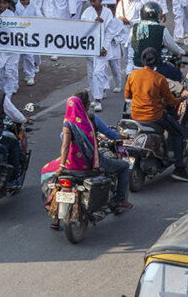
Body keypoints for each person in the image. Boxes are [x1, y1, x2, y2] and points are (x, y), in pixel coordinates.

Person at [48, 95, 132, 229]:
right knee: (124, 166)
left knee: (54, 180)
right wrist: (123, 136)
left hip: (69, 165)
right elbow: (108, 133)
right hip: (89, 163)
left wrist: (62, 166)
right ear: (85, 105)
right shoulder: (90, 120)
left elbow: (64, 145)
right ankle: (120, 201)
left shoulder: (67, 123)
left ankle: (55, 219)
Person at [125, 49, 188, 182]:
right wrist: (183, 97)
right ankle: (179, 169)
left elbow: (127, 95)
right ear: (157, 61)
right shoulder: (159, 79)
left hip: (135, 115)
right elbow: (171, 101)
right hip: (154, 116)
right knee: (178, 132)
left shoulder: (132, 75)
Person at [81, 0, 121, 111]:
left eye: (94, 1)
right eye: (90, 1)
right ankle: (94, 96)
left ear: (101, 0)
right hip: (89, 46)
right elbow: (82, 30)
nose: (92, 3)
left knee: (98, 72)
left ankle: (98, 100)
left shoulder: (108, 13)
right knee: (91, 73)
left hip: (103, 47)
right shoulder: (87, 13)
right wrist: (94, 23)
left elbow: (110, 32)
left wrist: (104, 47)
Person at [127, 1, 186, 76]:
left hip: (137, 67)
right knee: (177, 72)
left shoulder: (135, 28)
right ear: (155, 15)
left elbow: (131, 49)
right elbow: (172, 46)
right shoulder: (161, 29)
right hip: (156, 68)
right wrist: (183, 52)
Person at [115, 0, 142, 78]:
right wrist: (120, 18)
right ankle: (130, 70)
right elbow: (117, 15)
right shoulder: (121, 3)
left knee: (131, 55)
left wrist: (130, 22)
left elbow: (141, 19)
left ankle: (129, 74)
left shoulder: (139, 4)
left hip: (133, 31)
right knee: (125, 56)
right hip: (123, 32)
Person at [15, 0, 42, 87]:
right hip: (18, 34)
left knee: (28, 56)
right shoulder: (17, 6)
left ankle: (30, 75)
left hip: (30, 34)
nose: (22, 1)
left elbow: (39, 18)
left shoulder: (34, 7)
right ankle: (17, 79)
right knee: (18, 57)